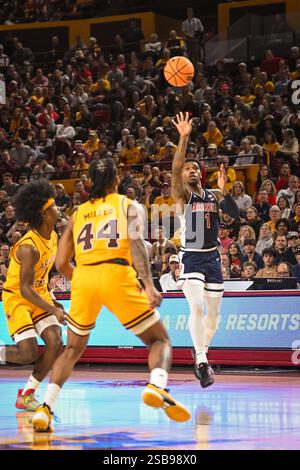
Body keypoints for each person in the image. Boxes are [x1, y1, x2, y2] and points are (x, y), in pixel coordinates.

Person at [32, 159, 191, 432]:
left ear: (90, 182)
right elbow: (138, 247)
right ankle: (156, 385)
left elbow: (60, 263)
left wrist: (84, 279)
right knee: (159, 340)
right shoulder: (128, 205)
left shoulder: (78, 213)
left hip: (83, 277)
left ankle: (45, 409)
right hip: (117, 274)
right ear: (118, 181)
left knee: (72, 349)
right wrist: (149, 285)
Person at [171, 112, 239, 388]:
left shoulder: (214, 195)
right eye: (188, 168)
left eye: (195, 168)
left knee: (214, 316)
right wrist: (183, 137)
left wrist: (227, 191)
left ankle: (202, 353)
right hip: (192, 258)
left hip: (213, 257)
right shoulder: (183, 195)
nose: (192, 170)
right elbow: (175, 168)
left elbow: (234, 216)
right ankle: (201, 360)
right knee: (196, 307)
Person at [0, 181, 66, 411]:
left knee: (55, 341)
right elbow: (25, 288)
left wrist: (51, 299)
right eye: (54, 205)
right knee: (28, 353)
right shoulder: (28, 247)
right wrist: (54, 310)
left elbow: (41, 278)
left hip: (38, 294)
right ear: (44, 213)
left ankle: (27, 394)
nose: (59, 209)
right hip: (18, 298)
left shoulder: (54, 237)